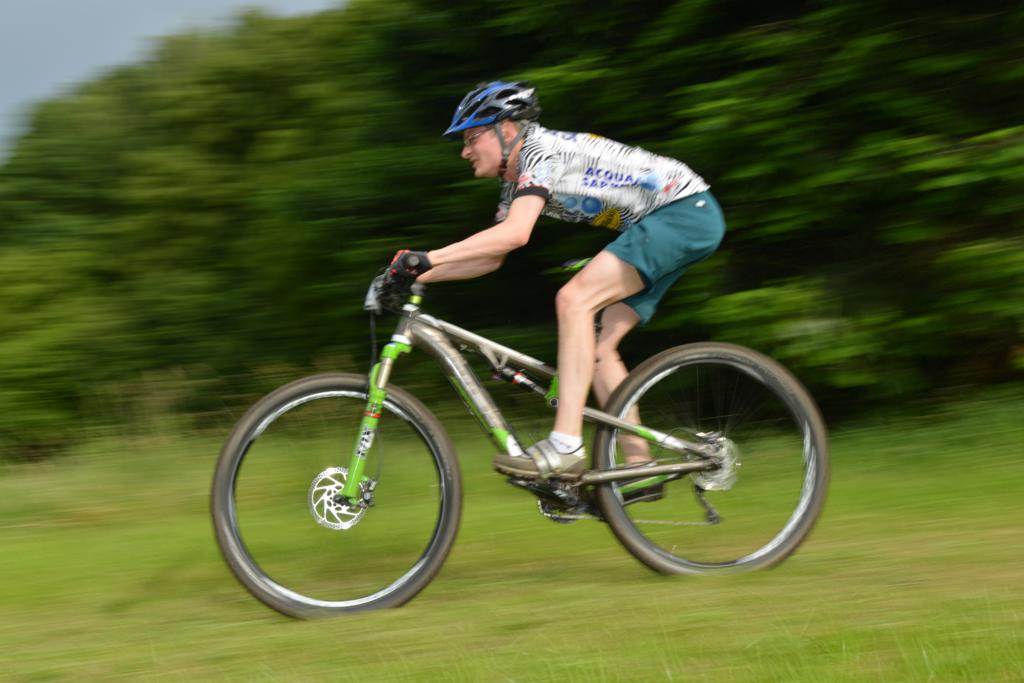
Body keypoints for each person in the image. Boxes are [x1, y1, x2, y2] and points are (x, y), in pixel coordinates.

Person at [389, 80, 725, 480]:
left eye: (471, 138)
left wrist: (428, 257)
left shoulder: (539, 151)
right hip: (680, 219)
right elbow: (492, 257)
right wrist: (418, 272)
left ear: (506, 129)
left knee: (574, 299)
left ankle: (566, 445)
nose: (464, 151)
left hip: (681, 214)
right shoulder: (515, 179)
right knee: (597, 347)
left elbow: (516, 233)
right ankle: (640, 466)